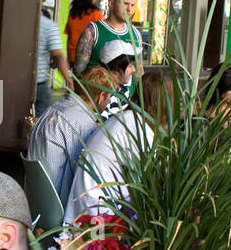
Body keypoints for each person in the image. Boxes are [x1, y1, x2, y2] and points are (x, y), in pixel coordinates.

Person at [66, 68, 169, 221]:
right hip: (97, 217)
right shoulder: (140, 130)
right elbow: (150, 187)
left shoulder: (125, 118)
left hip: (87, 205)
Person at [27, 65, 113, 204]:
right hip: (56, 205)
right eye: (109, 96)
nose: (109, 101)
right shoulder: (82, 121)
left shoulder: (57, 106)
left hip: (34, 199)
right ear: (101, 96)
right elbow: (84, 175)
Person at [74, 0, 142, 94]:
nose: (129, 9)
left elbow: (139, 72)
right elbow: (79, 73)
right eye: (125, 4)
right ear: (111, 4)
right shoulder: (92, 31)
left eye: (132, 5)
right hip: (98, 103)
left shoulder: (136, 34)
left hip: (126, 106)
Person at [34, 8, 73, 117]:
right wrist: (69, 80)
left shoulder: (19, 21)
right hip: (39, 84)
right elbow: (58, 55)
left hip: (14, 81)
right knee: (40, 118)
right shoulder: (48, 25)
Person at [97, 39, 138, 118]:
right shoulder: (105, 96)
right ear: (115, 71)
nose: (134, 70)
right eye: (130, 66)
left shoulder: (123, 88)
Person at [65, 0, 103, 64]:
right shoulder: (96, 14)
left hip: (72, 55)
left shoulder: (73, 14)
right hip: (88, 55)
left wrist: (68, 58)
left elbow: (69, 37)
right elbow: (100, 35)